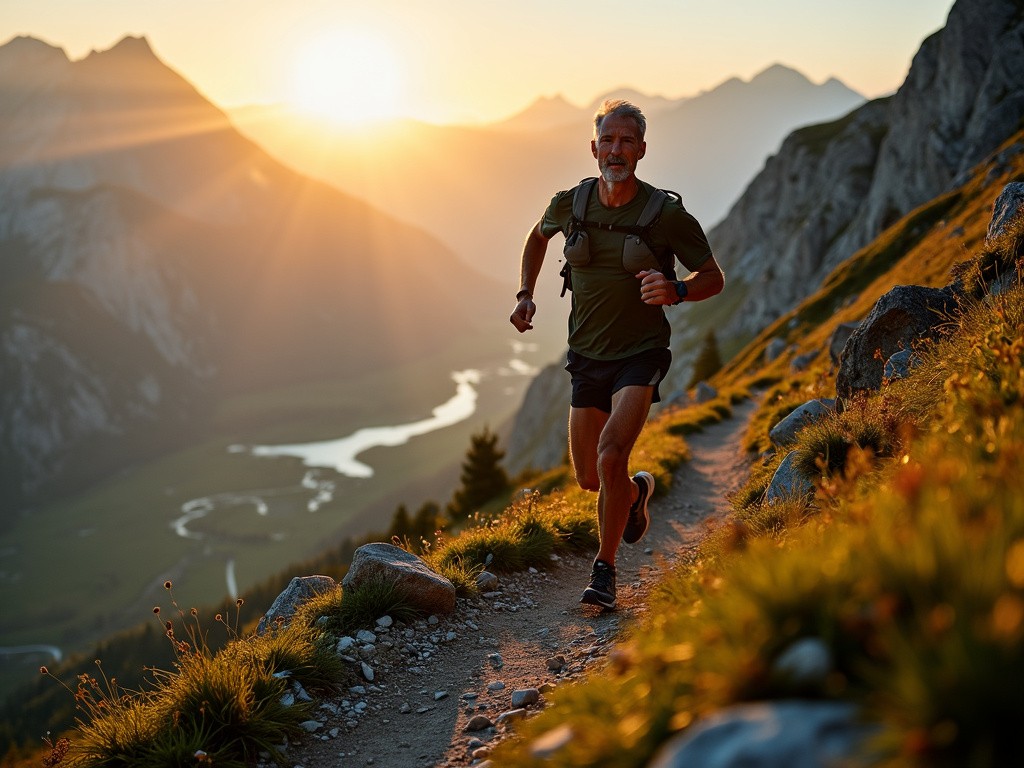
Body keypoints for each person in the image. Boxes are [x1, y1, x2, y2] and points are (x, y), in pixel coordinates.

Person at [509, 99, 725, 610]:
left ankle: (604, 572)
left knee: (610, 455)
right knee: (590, 476)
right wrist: (524, 293)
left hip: (641, 352)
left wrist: (676, 290)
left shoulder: (665, 214)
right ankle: (635, 494)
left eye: (627, 141)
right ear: (593, 148)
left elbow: (713, 278)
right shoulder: (571, 203)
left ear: (642, 150)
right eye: (608, 140)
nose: (616, 150)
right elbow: (536, 239)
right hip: (586, 353)